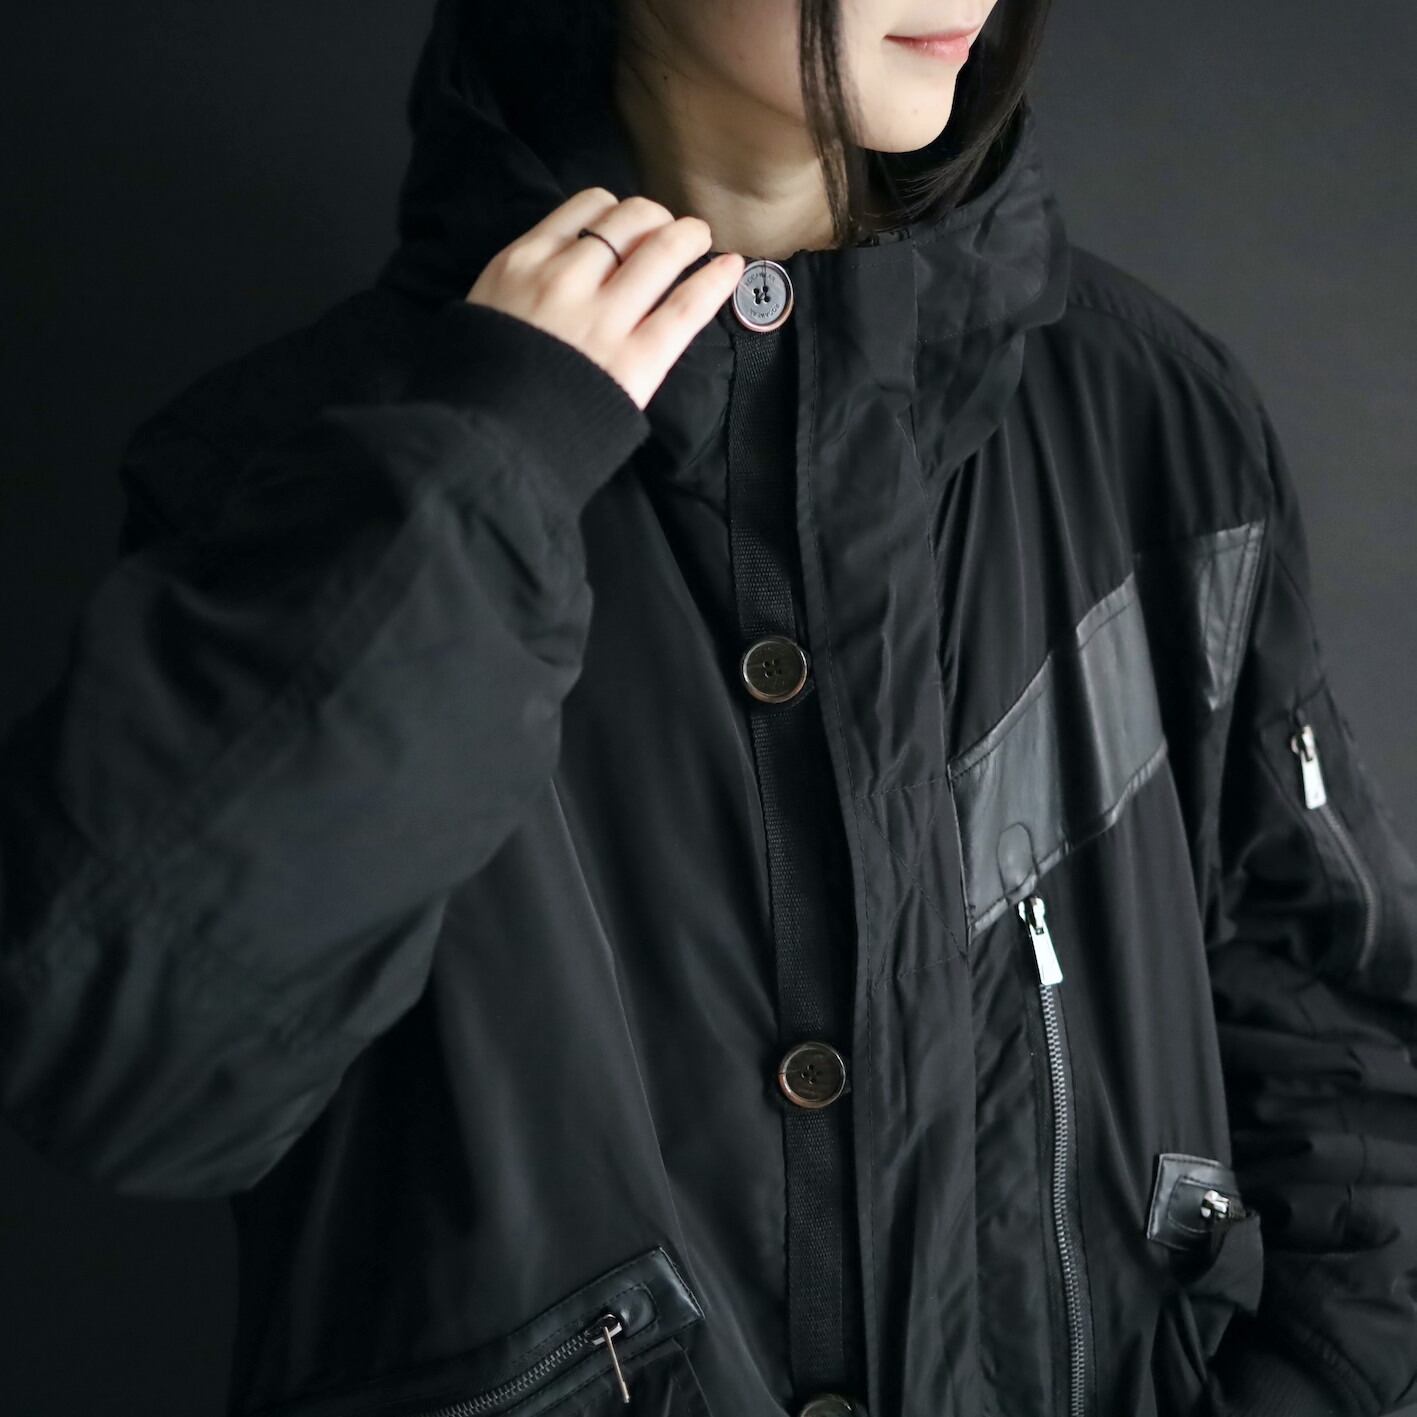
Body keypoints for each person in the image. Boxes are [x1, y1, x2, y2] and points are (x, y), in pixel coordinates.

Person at [2, 0, 1414, 1413]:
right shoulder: (305, 471)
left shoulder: (1146, 416)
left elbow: (1345, 1074)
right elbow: (130, 1078)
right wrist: (487, 475)